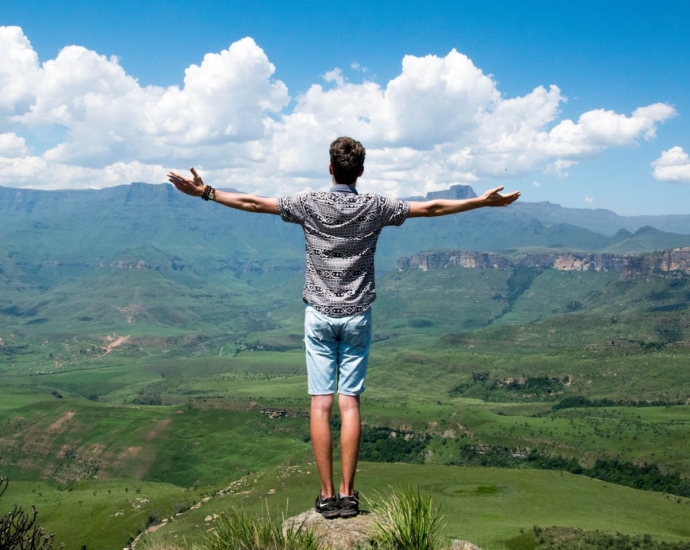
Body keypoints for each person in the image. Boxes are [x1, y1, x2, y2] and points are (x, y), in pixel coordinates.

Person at [167, 136, 520, 519]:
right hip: (357, 316)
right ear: (361, 172)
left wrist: (206, 192)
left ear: (330, 168)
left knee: (320, 404)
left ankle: (326, 495)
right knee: (349, 403)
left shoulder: (309, 203)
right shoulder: (375, 206)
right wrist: (481, 201)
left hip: (318, 315)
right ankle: (349, 496)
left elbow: (253, 203)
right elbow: (432, 208)